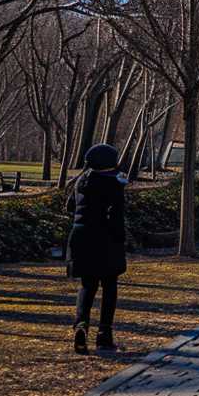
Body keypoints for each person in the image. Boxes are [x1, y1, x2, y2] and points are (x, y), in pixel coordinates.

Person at [66, 143, 128, 354]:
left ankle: (81, 324)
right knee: (110, 287)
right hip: (106, 239)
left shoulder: (81, 181)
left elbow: (70, 208)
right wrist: (122, 239)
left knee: (87, 285)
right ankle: (104, 335)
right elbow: (116, 216)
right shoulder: (113, 185)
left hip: (81, 237)